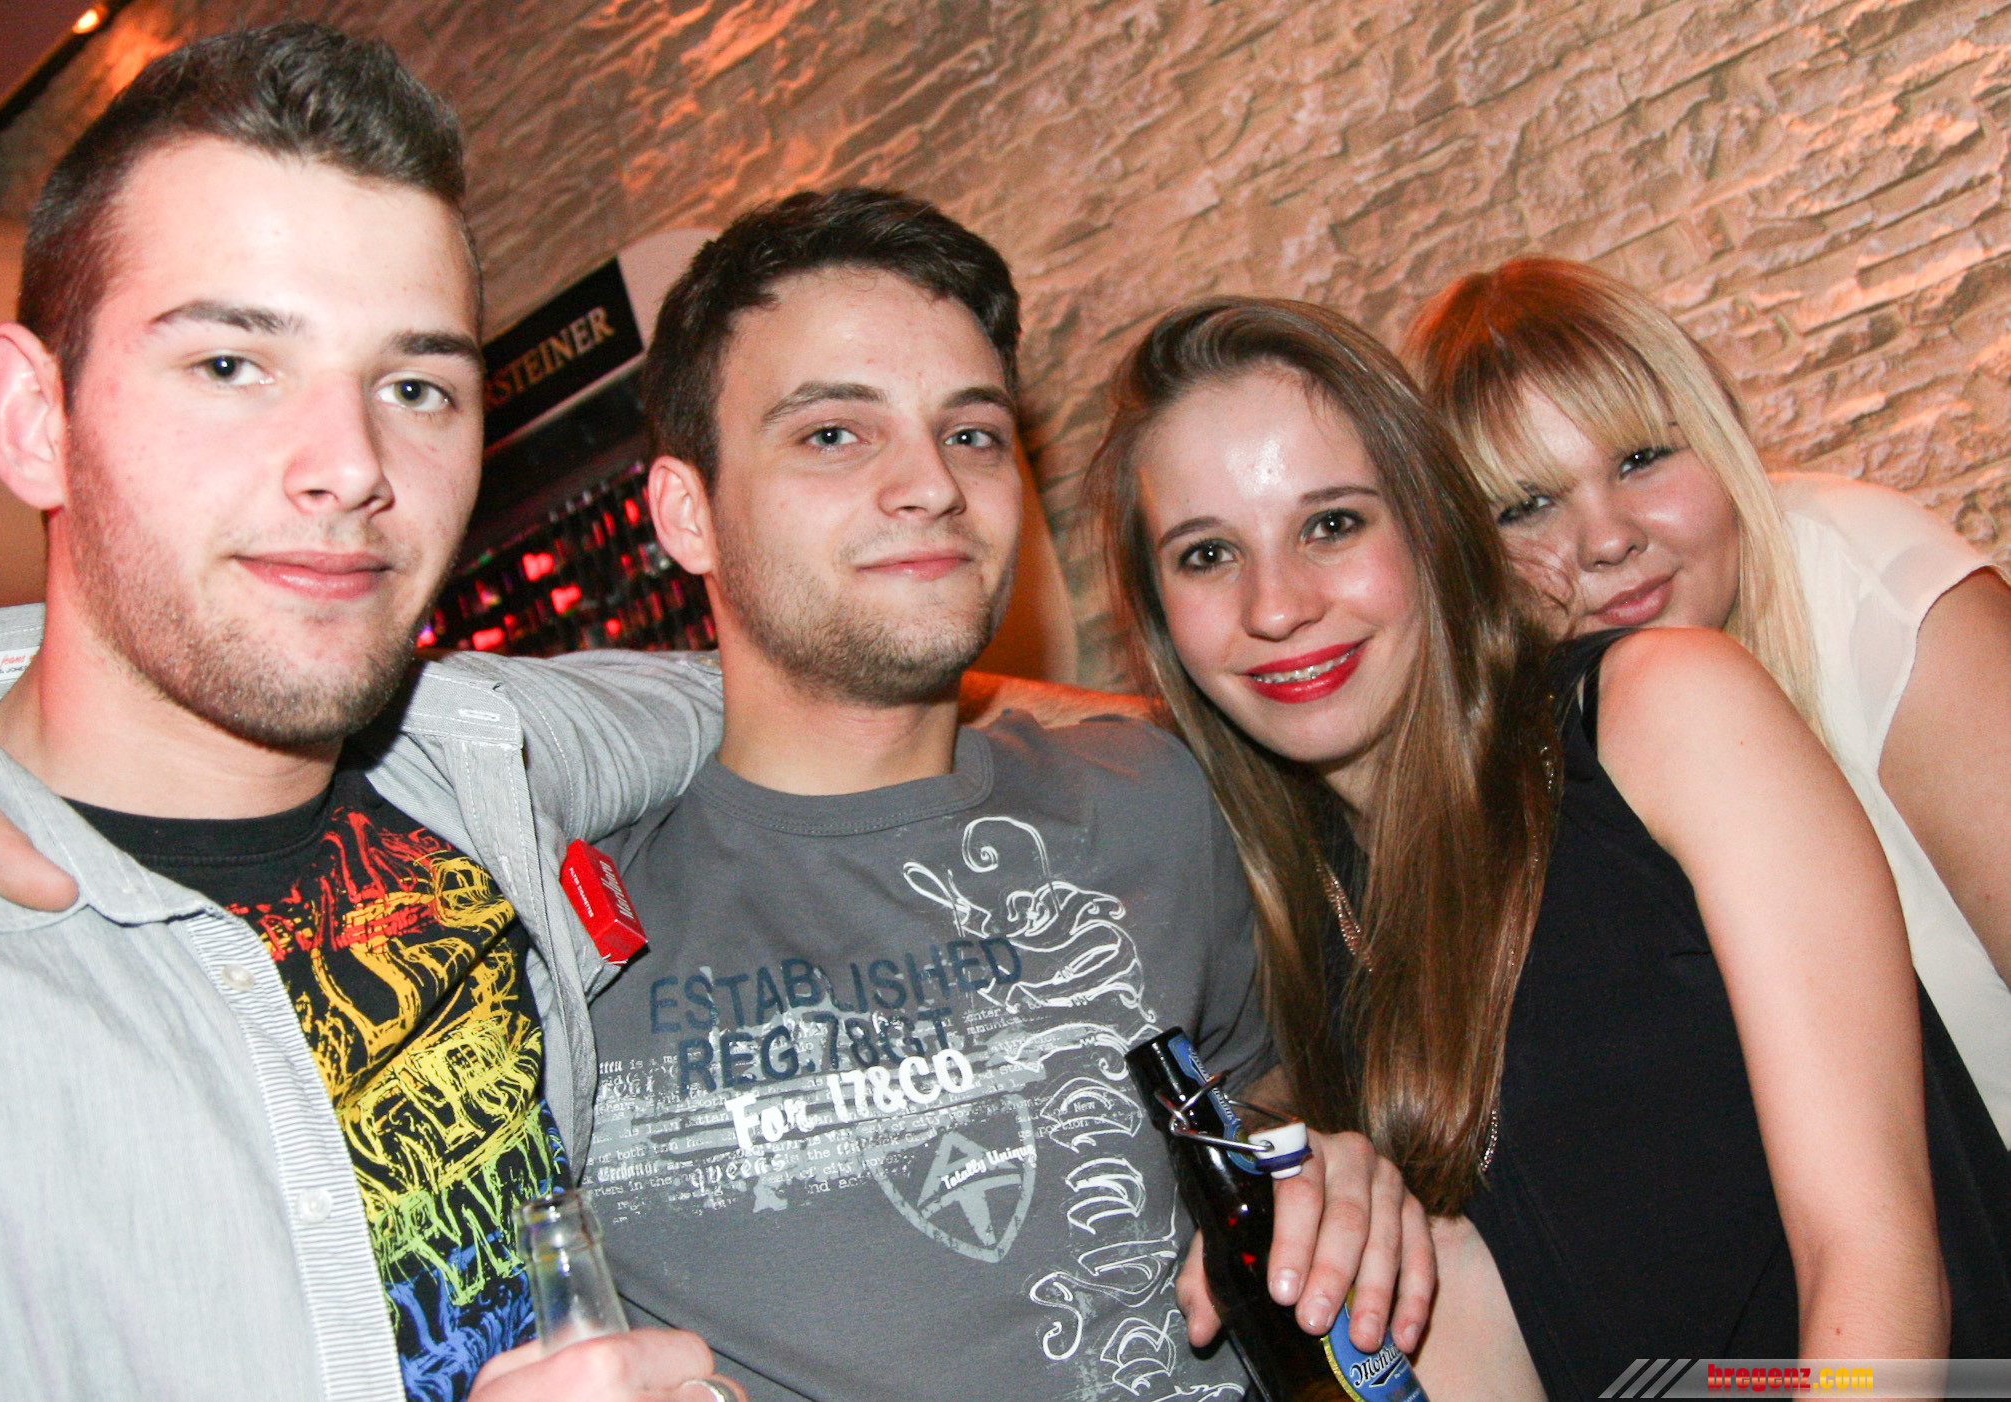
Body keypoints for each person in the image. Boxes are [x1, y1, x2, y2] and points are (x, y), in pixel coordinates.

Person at [0, 24, 746, 1401]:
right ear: (31, 417)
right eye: (231, 365)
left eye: (415, 387)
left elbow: (792, 692)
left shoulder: (479, 748)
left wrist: (1081, 718)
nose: (354, 464)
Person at [569, 189, 1434, 1402]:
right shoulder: (566, 922)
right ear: (687, 512)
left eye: (971, 432)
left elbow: (1267, 1080)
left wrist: (1324, 1168)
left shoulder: (1154, 797)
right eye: (834, 433)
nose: (931, 483)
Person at [1081, 296, 1961, 1400]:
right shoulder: (1296, 923)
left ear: (1432, 525)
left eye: (1332, 525)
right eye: (1208, 554)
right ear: (1160, 617)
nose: (1279, 605)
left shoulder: (1656, 714)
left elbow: (1876, 1261)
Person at [1404, 257, 2011, 1146]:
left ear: (1720, 431)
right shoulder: (1523, 750)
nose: (1608, 538)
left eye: (1641, 459)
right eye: (1526, 505)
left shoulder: (1867, 587)